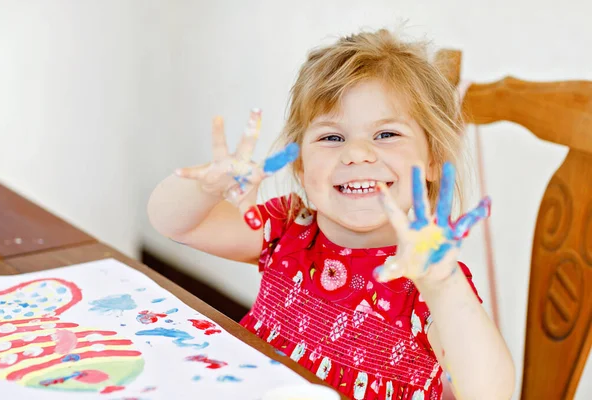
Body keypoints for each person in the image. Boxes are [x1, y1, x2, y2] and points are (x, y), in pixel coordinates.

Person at [147, 28, 515, 400]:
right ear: (302, 166)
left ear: (433, 159)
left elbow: (492, 393)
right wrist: (208, 185)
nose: (356, 153)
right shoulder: (288, 227)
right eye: (332, 137)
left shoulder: (425, 276)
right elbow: (176, 223)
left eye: (386, 134)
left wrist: (443, 284)